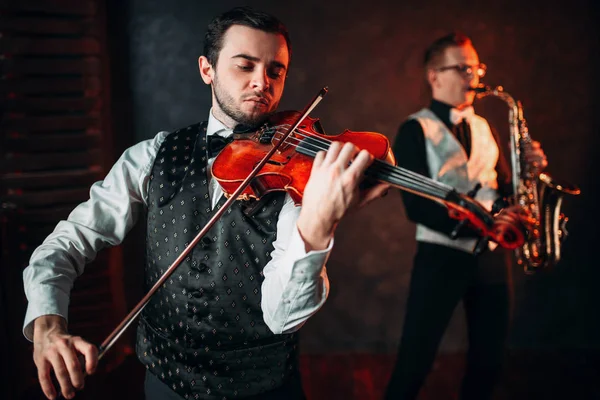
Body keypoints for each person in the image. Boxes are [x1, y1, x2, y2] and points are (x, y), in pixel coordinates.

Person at [23, 7, 388, 400]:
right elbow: (66, 243)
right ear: (207, 69)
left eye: (275, 71)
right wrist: (47, 325)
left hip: (265, 388)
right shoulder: (150, 157)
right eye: (244, 66)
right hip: (165, 381)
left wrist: (317, 227)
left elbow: (282, 316)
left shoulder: (297, 182)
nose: (260, 83)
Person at [384, 32, 547, 400]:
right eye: (462, 68)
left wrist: (529, 173)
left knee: (488, 362)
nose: (473, 76)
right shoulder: (415, 129)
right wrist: (487, 223)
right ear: (434, 76)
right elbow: (417, 207)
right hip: (440, 258)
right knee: (416, 361)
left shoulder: (484, 126)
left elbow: (504, 191)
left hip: (490, 261)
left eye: (476, 67)